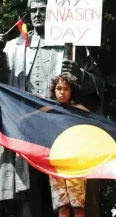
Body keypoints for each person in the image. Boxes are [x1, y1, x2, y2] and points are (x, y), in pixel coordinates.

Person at [0, 0, 105, 217]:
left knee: (64, 196)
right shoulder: (12, 48)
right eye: (34, 10)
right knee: (27, 196)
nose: (38, 14)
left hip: (60, 131)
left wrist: (78, 73)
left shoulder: (72, 47)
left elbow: (98, 88)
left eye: (44, 9)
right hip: (24, 131)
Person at [48, 73, 88, 217]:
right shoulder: (48, 109)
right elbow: (22, 119)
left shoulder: (80, 110)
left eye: (66, 89)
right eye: (58, 88)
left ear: (72, 91)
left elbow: (95, 130)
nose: (62, 92)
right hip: (55, 161)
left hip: (75, 161)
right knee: (62, 206)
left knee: (77, 206)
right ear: (54, 90)